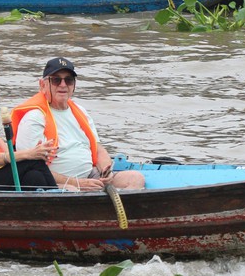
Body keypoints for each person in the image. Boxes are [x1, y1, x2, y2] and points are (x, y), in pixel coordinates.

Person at [12, 58, 145, 192]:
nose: (63, 85)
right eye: (56, 80)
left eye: (68, 80)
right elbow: (32, 168)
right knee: (72, 192)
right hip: (58, 182)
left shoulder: (81, 112)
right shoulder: (33, 118)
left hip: (91, 175)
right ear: (43, 85)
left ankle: (120, 211)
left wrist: (106, 173)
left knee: (135, 178)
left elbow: (98, 149)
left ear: (74, 85)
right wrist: (77, 183)